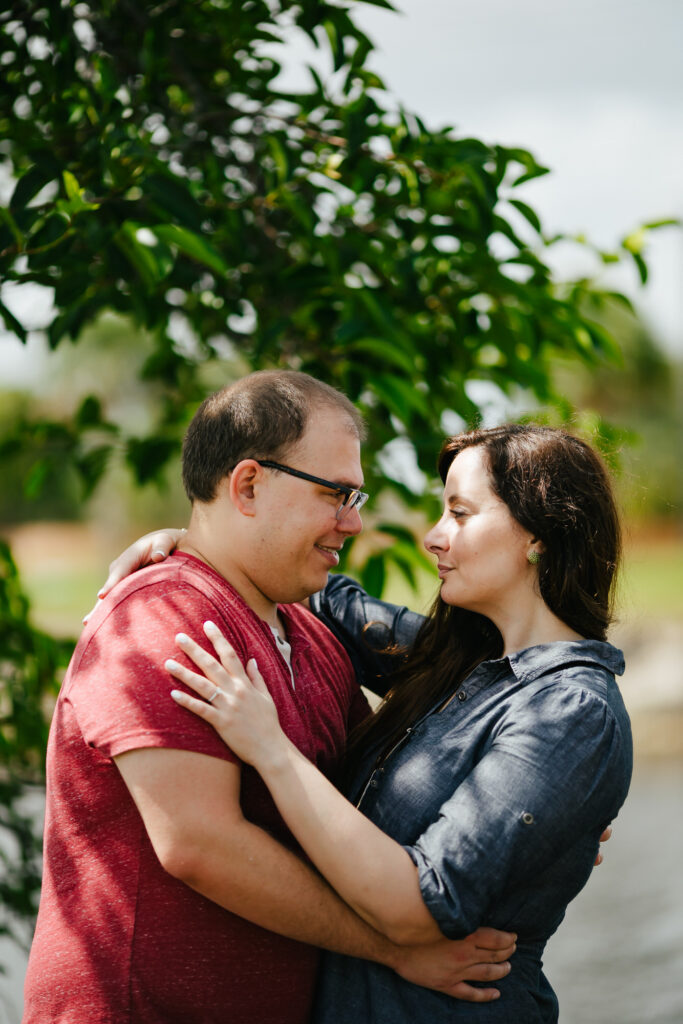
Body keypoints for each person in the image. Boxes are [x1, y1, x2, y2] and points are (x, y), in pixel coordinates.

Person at [23, 371, 514, 1024]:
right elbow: (199, 843)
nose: (354, 520)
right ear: (248, 485)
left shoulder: (310, 634)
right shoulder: (161, 615)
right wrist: (391, 949)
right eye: (336, 493)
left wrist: (535, 803)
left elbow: (376, 798)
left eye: (356, 495)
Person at [148, 423, 633, 1022]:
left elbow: (421, 906)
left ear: (537, 535)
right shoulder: (456, 661)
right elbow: (322, 598)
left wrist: (269, 748)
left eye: (459, 513)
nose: (434, 537)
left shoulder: (569, 712)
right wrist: (197, 543)